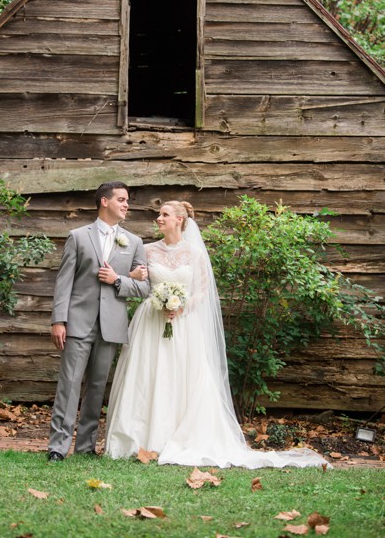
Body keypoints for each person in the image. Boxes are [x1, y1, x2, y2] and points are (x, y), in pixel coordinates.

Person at [105, 201, 328, 469]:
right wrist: (139, 283)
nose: (158, 218)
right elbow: (138, 281)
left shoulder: (195, 254)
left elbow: (202, 291)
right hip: (151, 322)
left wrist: (181, 306)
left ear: (179, 220)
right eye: (159, 214)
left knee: (183, 379)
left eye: (164, 215)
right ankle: (141, 438)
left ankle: (178, 437)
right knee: (148, 376)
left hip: (185, 325)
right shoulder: (147, 249)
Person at [47, 181, 150, 461]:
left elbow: (144, 288)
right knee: (69, 385)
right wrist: (59, 320)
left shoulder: (134, 242)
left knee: (96, 388)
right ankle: (58, 446)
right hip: (78, 322)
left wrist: (119, 281)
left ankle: (86, 446)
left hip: (112, 326)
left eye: (127, 200)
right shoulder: (78, 236)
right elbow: (64, 282)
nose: (127, 204)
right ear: (104, 202)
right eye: (121, 199)